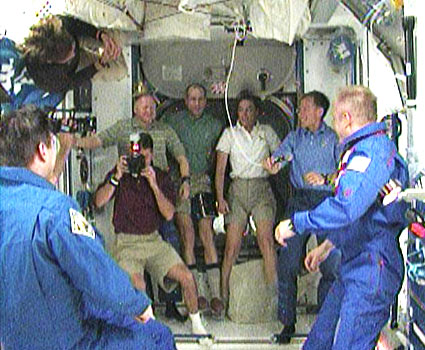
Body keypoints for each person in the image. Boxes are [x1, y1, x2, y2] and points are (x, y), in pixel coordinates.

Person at [0, 106, 176, 350]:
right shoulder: (54, 211)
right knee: (157, 335)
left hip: (15, 338)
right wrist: (138, 304)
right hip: (64, 339)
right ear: (43, 151)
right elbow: (96, 272)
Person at [275, 85, 409, 350]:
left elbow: (348, 207)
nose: (334, 126)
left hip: (372, 268)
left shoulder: (372, 153)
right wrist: (326, 246)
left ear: (347, 119)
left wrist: (295, 223)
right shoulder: (362, 150)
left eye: (335, 118)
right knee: (318, 342)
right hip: (354, 264)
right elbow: (360, 215)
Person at [93, 133, 207, 335]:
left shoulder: (160, 177)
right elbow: (99, 202)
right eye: (135, 157)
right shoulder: (120, 174)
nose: (139, 163)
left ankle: (197, 325)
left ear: (152, 156)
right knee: (138, 284)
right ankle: (148, 330)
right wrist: (116, 176)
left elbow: (169, 214)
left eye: (143, 158)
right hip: (126, 243)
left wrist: (153, 184)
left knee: (187, 277)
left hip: (153, 240)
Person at [263, 90, 342, 343]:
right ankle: (287, 324)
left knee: (331, 264)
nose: (300, 112)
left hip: (326, 201)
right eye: (300, 108)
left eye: (306, 108)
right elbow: (280, 158)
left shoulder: (333, 139)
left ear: (319, 112)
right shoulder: (295, 137)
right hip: (299, 201)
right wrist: (273, 163)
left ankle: (326, 323)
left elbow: (344, 174)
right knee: (287, 262)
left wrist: (325, 179)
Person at [162, 83, 224, 317]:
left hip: (204, 182)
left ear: (206, 101)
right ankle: (196, 292)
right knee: (187, 235)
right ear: (185, 101)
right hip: (180, 182)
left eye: (200, 99)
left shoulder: (215, 125)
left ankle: (215, 295)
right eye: (192, 99)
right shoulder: (173, 122)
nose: (196, 103)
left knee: (206, 233)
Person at [215, 91, 281, 305]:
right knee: (232, 246)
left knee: (266, 241)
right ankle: (224, 297)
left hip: (261, 188)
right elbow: (220, 170)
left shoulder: (267, 132)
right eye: (241, 110)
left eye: (249, 109)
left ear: (256, 112)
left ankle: (274, 299)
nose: (245, 114)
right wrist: (220, 198)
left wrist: (273, 166)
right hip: (238, 190)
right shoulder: (229, 134)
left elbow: (281, 158)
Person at [73, 93, 190, 200]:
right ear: (135, 109)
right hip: (132, 189)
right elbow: (99, 140)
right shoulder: (123, 127)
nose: (149, 111)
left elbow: (181, 157)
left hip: (160, 186)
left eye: (152, 108)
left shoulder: (165, 129)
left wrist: (185, 181)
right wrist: (75, 142)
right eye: (145, 107)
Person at [22, 14, 122, 94]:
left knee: (116, 38)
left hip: (77, 37)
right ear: (54, 62)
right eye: (69, 55)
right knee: (119, 71)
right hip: (73, 69)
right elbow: (74, 81)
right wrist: (99, 64)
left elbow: (77, 25)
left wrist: (100, 35)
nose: (73, 53)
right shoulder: (49, 80)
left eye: (72, 48)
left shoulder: (58, 25)